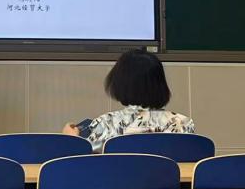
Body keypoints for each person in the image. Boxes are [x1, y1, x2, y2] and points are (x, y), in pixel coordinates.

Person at [63, 48, 194, 151]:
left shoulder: (105, 124)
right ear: (161, 84)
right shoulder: (182, 124)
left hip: (117, 179)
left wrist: (71, 139)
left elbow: (78, 159)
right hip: (165, 178)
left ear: (119, 84)